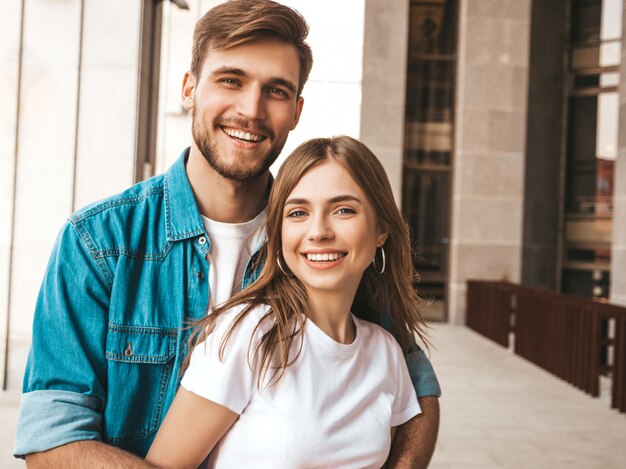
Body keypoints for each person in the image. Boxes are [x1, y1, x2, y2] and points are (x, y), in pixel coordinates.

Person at [14, 1, 440, 467]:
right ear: (189, 88)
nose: (251, 109)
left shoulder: (319, 245)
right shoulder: (98, 242)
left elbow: (415, 389)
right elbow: (51, 442)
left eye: (276, 91)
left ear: (296, 111)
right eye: (231, 80)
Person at [146, 136, 431, 469]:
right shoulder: (248, 334)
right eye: (298, 212)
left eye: (343, 210)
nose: (318, 231)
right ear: (279, 233)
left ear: (381, 229)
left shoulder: (387, 353)